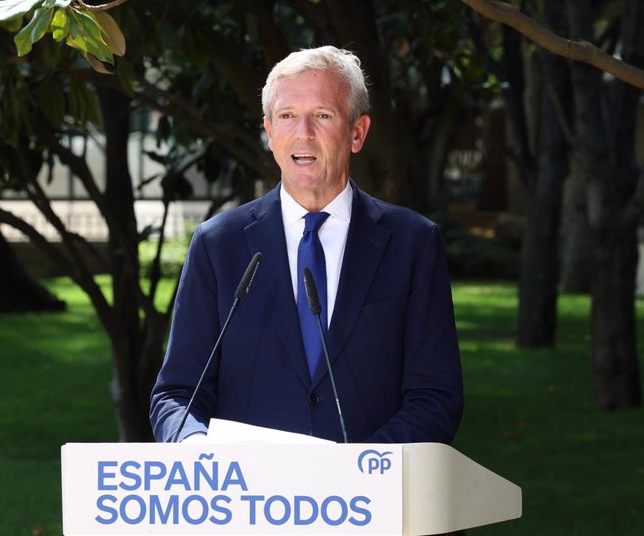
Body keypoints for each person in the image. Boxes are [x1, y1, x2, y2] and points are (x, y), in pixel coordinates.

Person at [150, 45, 463, 444]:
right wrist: (195, 449)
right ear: (269, 132)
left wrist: (361, 473)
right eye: (287, 116)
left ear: (357, 132)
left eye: (322, 115)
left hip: (369, 496)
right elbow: (177, 395)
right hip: (247, 496)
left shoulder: (413, 244)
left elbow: (435, 397)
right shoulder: (218, 244)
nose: (304, 133)